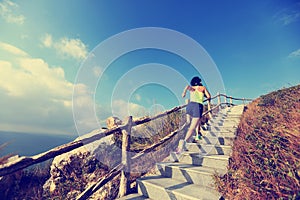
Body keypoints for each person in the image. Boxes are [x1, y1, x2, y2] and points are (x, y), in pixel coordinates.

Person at [177, 76, 211, 153]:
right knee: (192, 127)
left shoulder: (192, 88)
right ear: (199, 82)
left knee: (194, 122)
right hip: (197, 106)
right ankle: (184, 142)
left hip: (190, 106)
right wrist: (204, 96)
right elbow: (209, 96)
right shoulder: (202, 88)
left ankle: (197, 135)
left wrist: (184, 93)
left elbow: (187, 86)